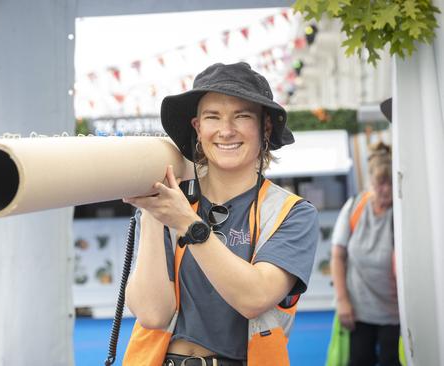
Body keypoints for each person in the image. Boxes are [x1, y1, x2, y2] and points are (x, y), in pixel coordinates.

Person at [122, 62, 319, 365]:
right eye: (212, 117)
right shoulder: (167, 202)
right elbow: (151, 313)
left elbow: (254, 298)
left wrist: (188, 224)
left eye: (241, 116)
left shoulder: (292, 214)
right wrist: (151, 214)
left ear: (264, 127)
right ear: (198, 127)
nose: (226, 131)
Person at [331, 141, 399, 366]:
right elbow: (338, 257)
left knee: (392, 361)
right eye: (381, 182)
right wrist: (342, 301)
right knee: (359, 360)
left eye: (390, 183)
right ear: (371, 181)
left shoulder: (401, 214)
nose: (386, 189)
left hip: (396, 313)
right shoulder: (354, 207)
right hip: (359, 310)